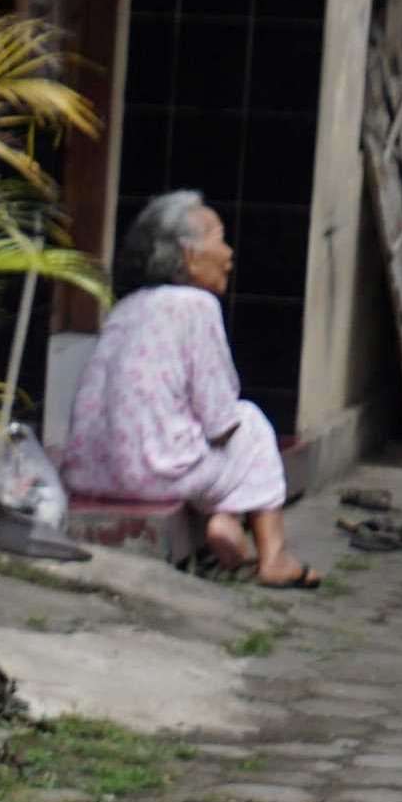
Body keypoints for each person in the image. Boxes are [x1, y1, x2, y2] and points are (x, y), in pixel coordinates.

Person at [58, 190, 319, 586]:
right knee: (251, 424)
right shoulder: (197, 307)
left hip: (91, 472)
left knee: (205, 440)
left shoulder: (127, 306)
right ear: (188, 255)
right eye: (220, 238)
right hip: (151, 474)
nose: (230, 253)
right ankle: (273, 556)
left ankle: (227, 518)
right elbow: (219, 418)